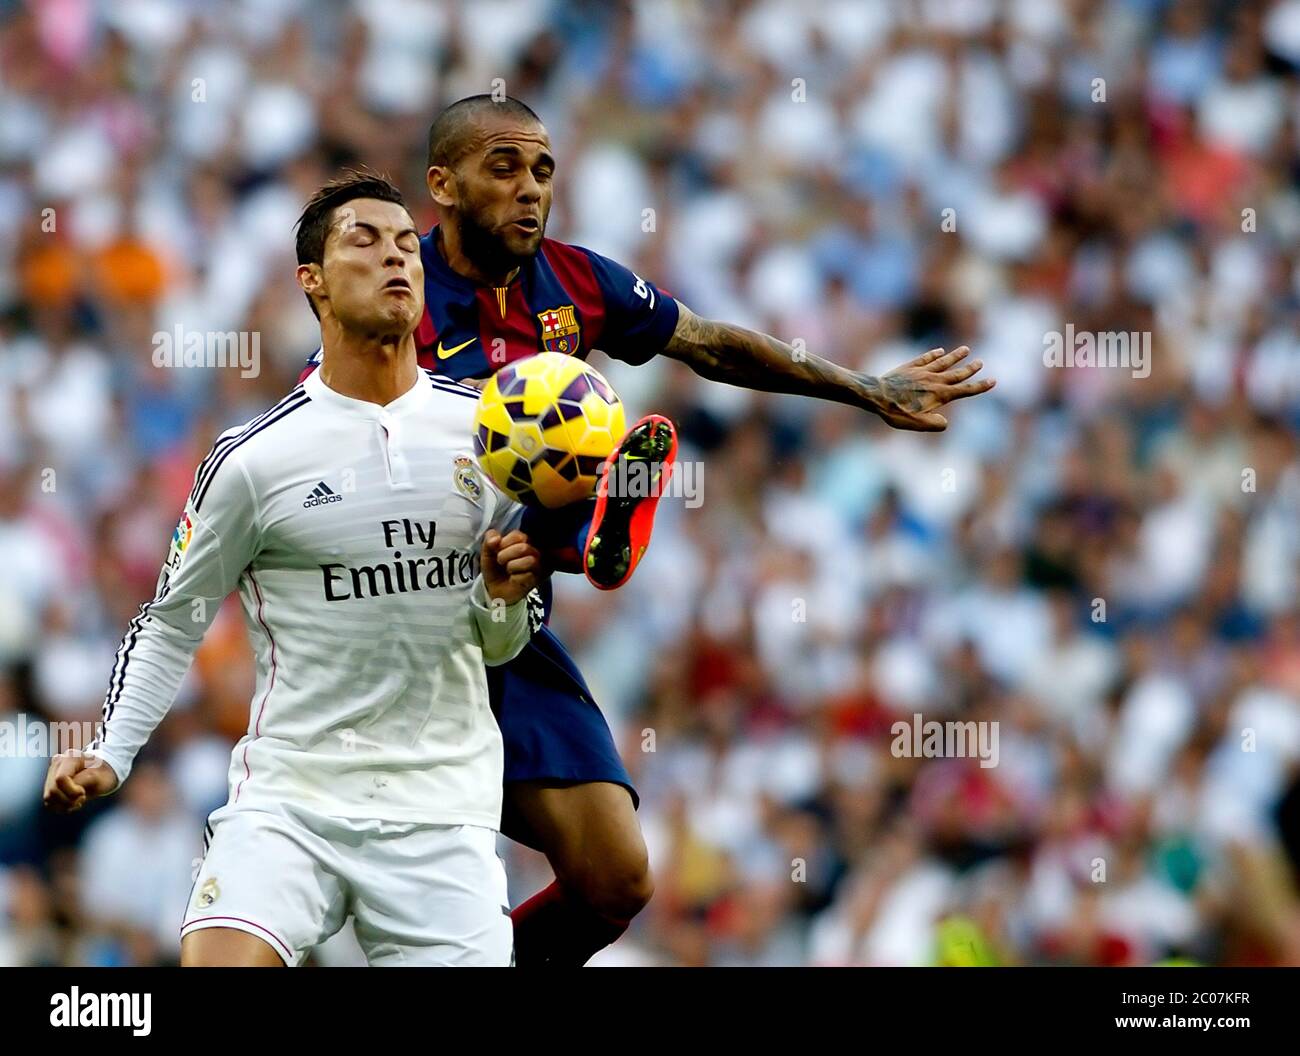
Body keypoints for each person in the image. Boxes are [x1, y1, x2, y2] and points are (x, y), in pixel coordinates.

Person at [300, 94, 996, 966]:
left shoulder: (578, 281)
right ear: (441, 184)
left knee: (616, 880)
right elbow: (315, 443)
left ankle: (582, 529)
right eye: (504, 168)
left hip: (510, 624)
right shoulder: (394, 298)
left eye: (543, 171)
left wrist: (864, 387)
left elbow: (708, 344)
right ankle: (582, 529)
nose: (530, 190)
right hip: (402, 624)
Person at [43, 172, 545, 966]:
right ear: (311, 282)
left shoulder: (487, 434)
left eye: (409, 247)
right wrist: (112, 750)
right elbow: (173, 618)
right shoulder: (254, 461)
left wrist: (503, 597)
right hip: (291, 806)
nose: (397, 261)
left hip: (442, 817)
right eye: (366, 241)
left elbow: (501, 645)